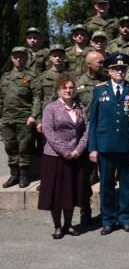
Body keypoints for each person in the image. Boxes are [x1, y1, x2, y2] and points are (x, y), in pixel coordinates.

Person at [88, 53, 129, 235]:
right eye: (115, 69)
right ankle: (108, 220)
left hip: (127, 145)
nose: (119, 72)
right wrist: (93, 148)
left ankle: (125, 218)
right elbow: (94, 121)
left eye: (122, 69)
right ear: (109, 71)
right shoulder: (99, 90)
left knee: (127, 186)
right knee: (106, 185)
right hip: (105, 145)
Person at [38, 74, 89, 239]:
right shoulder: (50, 108)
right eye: (64, 88)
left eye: (70, 88)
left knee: (71, 192)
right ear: (58, 90)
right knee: (56, 193)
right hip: (55, 157)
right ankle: (58, 226)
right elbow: (49, 133)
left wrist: (78, 150)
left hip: (76, 156)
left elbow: (86, 129)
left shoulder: (79, 107)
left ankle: (69, 225)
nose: (68, 90)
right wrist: (65, 151)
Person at [0, 46, 40, 188]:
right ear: (12, 58)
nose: (19, 59)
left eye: (22, 56)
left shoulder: (31, 77)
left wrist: (33, 115)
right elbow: (1, 98)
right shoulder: (5, 77)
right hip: (6, 119)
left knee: (25, 148)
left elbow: (36, 97)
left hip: (24, 118)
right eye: (16, 56)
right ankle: (14, 174)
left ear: (26, 58)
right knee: (10, 147)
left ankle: (24, 175)